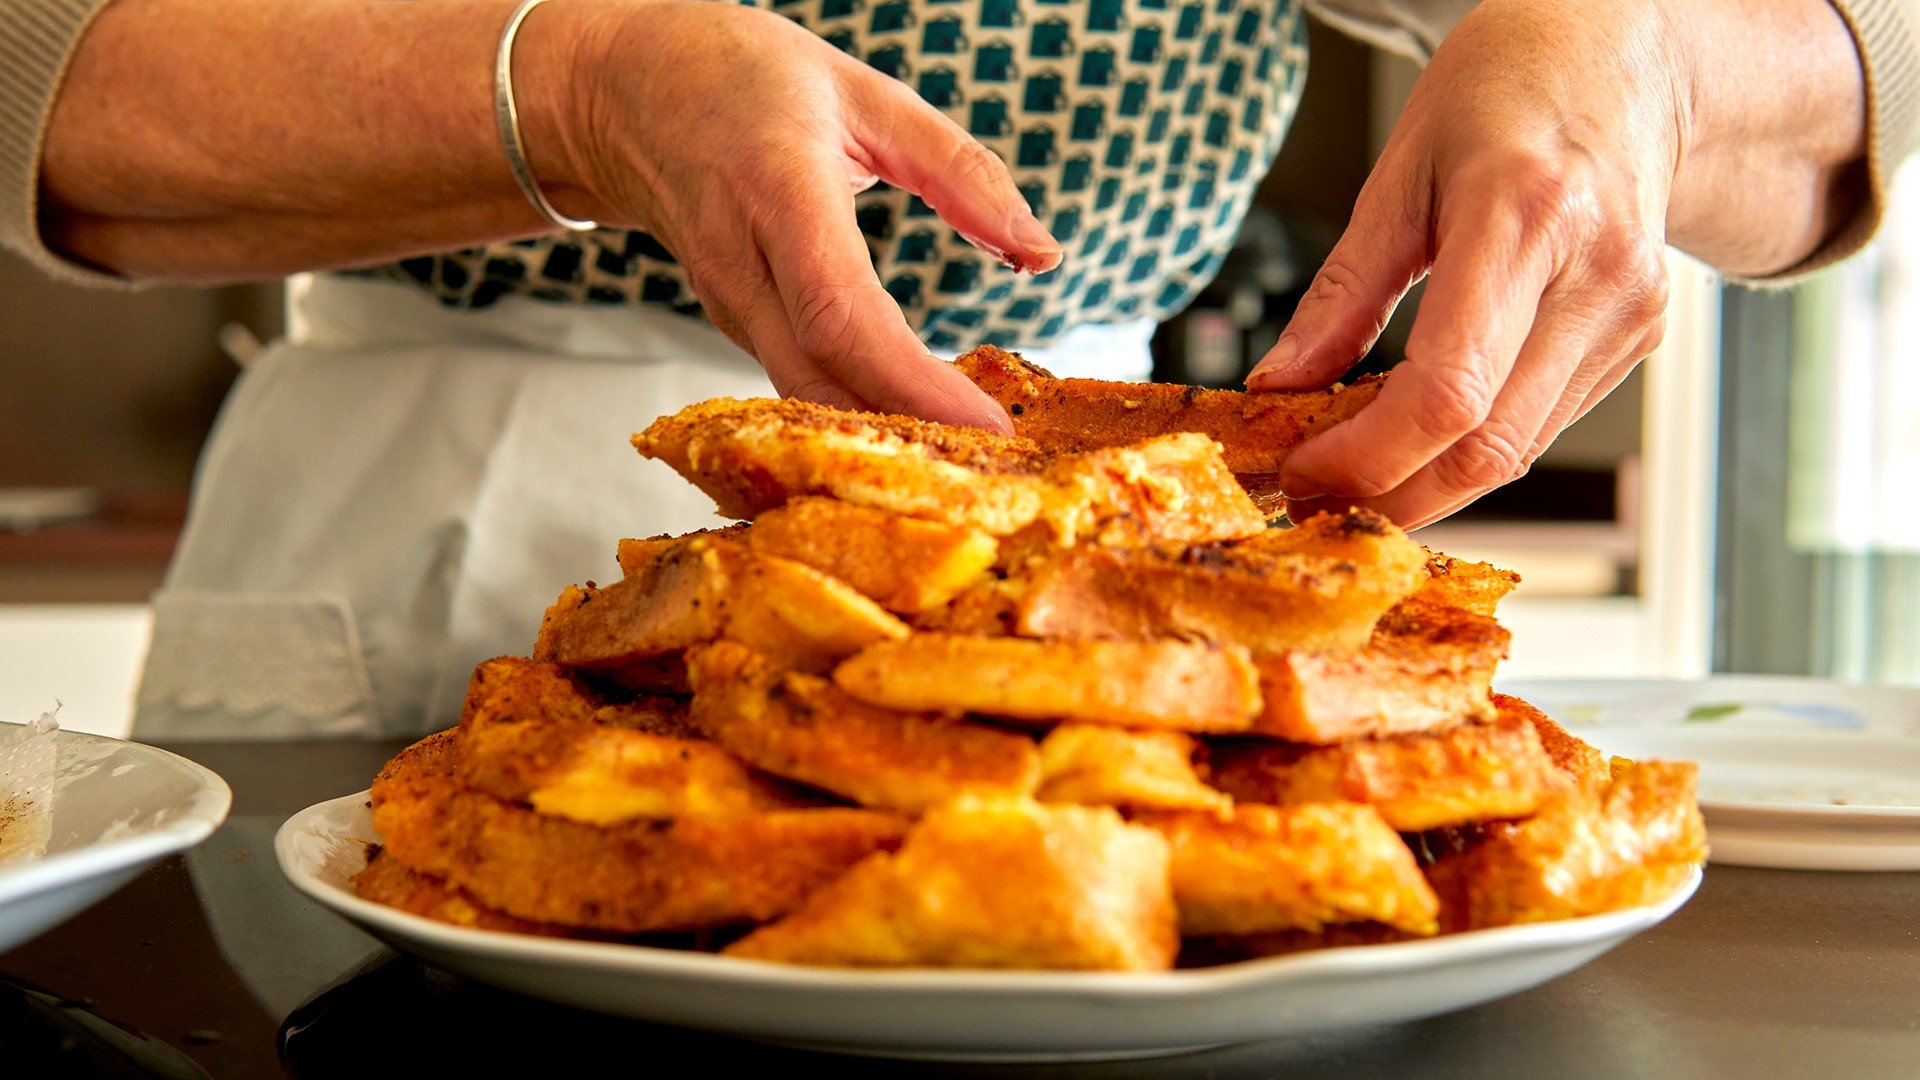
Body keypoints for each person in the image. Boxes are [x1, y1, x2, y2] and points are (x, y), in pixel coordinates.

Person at [2, 0, 1912, 737]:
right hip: (405, 498)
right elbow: (40, 66)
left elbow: (1863, 62)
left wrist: (1637, 68)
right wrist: (578, 85)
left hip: (1128, 561)